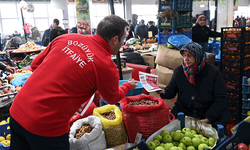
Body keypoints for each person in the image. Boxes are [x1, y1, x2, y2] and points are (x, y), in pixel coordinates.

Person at [9, 15, 138, 150]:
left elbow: (35, 64)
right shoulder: (106, 66)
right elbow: (112, 98)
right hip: (46, 125)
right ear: (115, 39)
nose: (123, 43)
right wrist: (128, 85)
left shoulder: (67, 38)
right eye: (123, 40)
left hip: (18, 109)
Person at [158, 42, 230, 131]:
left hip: (208, 115)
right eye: (184, 56)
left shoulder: (213, 72)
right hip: (185, 113)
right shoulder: (179, 71)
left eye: (190, 55)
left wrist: (207, 119)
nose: (186, 59)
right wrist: (162, 91)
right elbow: (171, 91)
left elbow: (221, 99)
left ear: (198, 56)